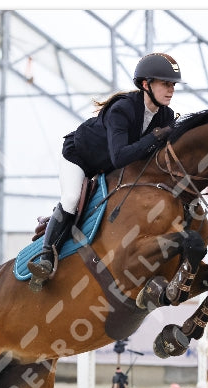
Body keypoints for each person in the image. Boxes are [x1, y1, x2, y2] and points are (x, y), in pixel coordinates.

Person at [27, 53, 183, 291]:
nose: (170, 90)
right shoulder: (123, 109)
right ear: (145, 84)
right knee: (70, 198)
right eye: (165, 83)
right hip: (79, 157)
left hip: (110, 168)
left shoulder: (166, 116)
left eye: (172, 85)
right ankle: (46, 256)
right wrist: (154, 137)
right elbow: (119, 156)